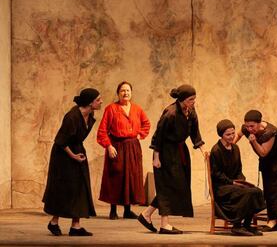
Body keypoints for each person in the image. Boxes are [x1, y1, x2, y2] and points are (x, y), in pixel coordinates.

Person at [138, 84, 204, 234]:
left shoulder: (190, 111)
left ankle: (147, 214)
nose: (194, 102)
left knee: (177, 185)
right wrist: (156, 157)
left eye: (194, 99)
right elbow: (158, 136)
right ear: (182, 100)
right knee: (167, 186)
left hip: (180, 151)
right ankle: (164, 224)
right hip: (166, 152)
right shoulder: (170, 113)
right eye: (191, 99)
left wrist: (202, 149)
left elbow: (195, 132)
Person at [43, 88, 103, 236]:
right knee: (63, 188)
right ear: (90, 102)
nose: (101, 101)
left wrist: (77, 155)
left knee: (80, 187)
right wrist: (73, 156)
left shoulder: (89, 114)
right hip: (63, 155)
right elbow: (61, 142)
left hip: (77, 150)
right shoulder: (72, 117)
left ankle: (75, 226)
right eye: (98, 99)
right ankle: (53, 222)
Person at [233, 110, 277, 232]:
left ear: (259, 123)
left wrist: (253, 141)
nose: (249, 129)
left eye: (252, 126)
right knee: (269, 189)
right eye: (247, 126)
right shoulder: (248, 128)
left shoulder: (270, 132)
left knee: (276, 190)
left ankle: (273, 222)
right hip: (269, 161)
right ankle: (274, 221)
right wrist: (230, 145)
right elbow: (239, 134)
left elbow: (263, 152)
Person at [97, 81, 151, 219]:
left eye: (128, 90)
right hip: (116, 146)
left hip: (133, 147)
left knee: (131, 177)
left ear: (131, 93)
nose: (125, 93)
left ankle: (127, 210)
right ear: (118, 93)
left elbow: (146, 123)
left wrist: (139, 135)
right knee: (116, 176)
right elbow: (102, 131)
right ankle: (113, 210)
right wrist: (109, 146)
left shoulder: (137, 109)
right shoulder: (111, 109)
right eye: (122, 91)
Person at [210, 119, 266, 236]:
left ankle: (246, 225)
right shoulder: (216, 150)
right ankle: (236, 226)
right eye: (228, 134)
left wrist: (242, 182)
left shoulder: (235, 149)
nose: (231, 137)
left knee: (255, 191)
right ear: (221, 134)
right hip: (222, 187)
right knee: (246, 193)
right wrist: (232, 182)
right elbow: (216, 174)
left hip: (234, 184)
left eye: (233, 134)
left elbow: (239, 170)